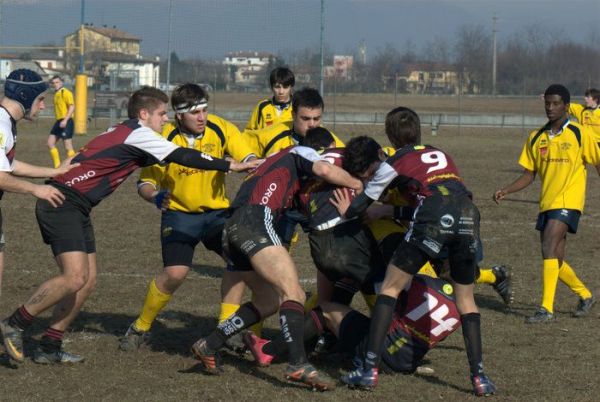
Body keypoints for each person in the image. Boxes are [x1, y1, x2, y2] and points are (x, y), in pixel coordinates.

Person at [0, 86, 260, 365]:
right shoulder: (141, 134)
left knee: (86, 282)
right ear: (144, 114)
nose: (165, 119)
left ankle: (50, 344)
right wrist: (229, 166)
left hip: (76, 205)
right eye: (161, 114)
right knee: (74, 277)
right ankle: (15, 323)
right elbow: (184, 156)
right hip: (63, 201)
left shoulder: (125, 130)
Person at [335, 106, 496, 396]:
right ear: (419, 130)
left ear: (389, 135)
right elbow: (444, 192)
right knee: (467, 300)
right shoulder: (443, 154)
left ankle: (369, 369)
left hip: (434, 214)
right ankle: (480, 377)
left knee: (390, 288)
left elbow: (363, 204)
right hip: (469, 213)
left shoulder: (395, 160)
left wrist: (349, 210)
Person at [190, 134, 363, 392]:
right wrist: (356, 184)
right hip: (256, 219)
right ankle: (298, 364)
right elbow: (324, 168)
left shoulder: (273, 162)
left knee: (269, 300)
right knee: (292, 293)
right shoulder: (299, 152)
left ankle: (209, 344)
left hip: (234, 225)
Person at [120, 83, 257, 351]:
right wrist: (154, 196)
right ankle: (141, 327)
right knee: (175, 273)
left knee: (238, 262)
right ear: (179, 115)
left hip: (217, 214)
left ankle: (227, 329)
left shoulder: (220, 127)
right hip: (179, 216)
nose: (202, 117)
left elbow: (248, 155)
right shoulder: (163, 137)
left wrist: (253, 165)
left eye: (205, 110)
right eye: (195, 112)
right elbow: (144, 184)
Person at [494, 84, 600, 323]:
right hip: (547, 202)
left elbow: (598, 161)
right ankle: (585, 295)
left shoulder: (579, 132)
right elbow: (529, 174)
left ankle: (546, 309)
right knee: (554, 258)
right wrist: (507, 189)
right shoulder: (536, 137)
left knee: (548, 247)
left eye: (555, 104)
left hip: (569, 201)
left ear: (565, 105)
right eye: (547, 103)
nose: (550, 108)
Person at [0, 69, 79, 298]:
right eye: (40, 99)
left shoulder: (6, 122)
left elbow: (9, 165)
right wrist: (37, 189)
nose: (43, 106)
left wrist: (55, 171)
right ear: (25, 96)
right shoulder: (1, 125)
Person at [47, 76, 75, 168]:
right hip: (59, 121)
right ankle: (57, 167)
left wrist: (65, 120)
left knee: (68, 147)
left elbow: (72, 107)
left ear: (61, 83)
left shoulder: (65, 92)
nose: (55, 84)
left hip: (66, 121)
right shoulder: (56, 94)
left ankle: (73, 168)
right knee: (50, 143)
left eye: (57, 82)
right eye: (53, 83)